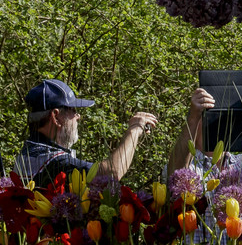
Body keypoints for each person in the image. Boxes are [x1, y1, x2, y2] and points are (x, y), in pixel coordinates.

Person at [13, 78, 158, 185]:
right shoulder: (51, 161)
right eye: (73, 110)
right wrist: (134, 130)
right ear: (56, 116)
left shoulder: (30, 152)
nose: (78, 116)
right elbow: (111, 173)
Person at [167, 86, 242, 197]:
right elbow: (175, 176)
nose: (215, 122)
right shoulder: (190, 166)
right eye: (208, 115)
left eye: (221, 117)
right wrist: (193, 117)